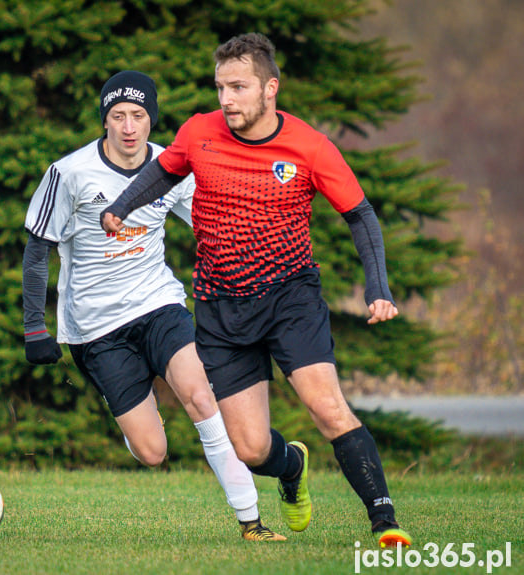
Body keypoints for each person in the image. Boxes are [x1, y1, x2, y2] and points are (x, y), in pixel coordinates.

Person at [101, 34, 412, 548]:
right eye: (221, 86)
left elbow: (360, 214)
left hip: (290, 297)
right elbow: (164, 171)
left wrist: (377, 287)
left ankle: (385, 520)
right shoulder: (200, 132)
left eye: (239, 87)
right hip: (221, 308)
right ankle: (292, 468)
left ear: (271, 88)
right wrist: (122, 206)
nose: (226, 99)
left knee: (326, 406)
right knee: (248, 448)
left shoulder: (308, 146)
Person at [23, 70, 284, 542]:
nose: (128, 127)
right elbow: (37, 247)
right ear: (105, 120)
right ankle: (132, 406)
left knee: (203, 398)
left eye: (138, 116)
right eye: (118, 116)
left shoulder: (171, 165)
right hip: (96, 329)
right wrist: (33, 328)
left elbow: (214, 226)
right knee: (152, 451)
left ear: (151, 120)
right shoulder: (69, 172)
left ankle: (252, 522)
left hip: (158, 304)